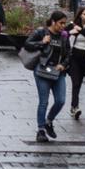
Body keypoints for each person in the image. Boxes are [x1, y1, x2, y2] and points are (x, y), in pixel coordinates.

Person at [23, 11, 71, 143]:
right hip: (42, 70)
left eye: (64, 23)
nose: (63, 26)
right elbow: (27, 44)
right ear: (53, 22)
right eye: (61, 23)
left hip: (58, 72)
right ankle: (41, 130)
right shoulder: (41, 32)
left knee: (60, 100)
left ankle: (49, 121)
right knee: (43, 101)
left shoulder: (64, 36)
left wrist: (63, 64)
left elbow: (68, 53)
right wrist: (42, 42)